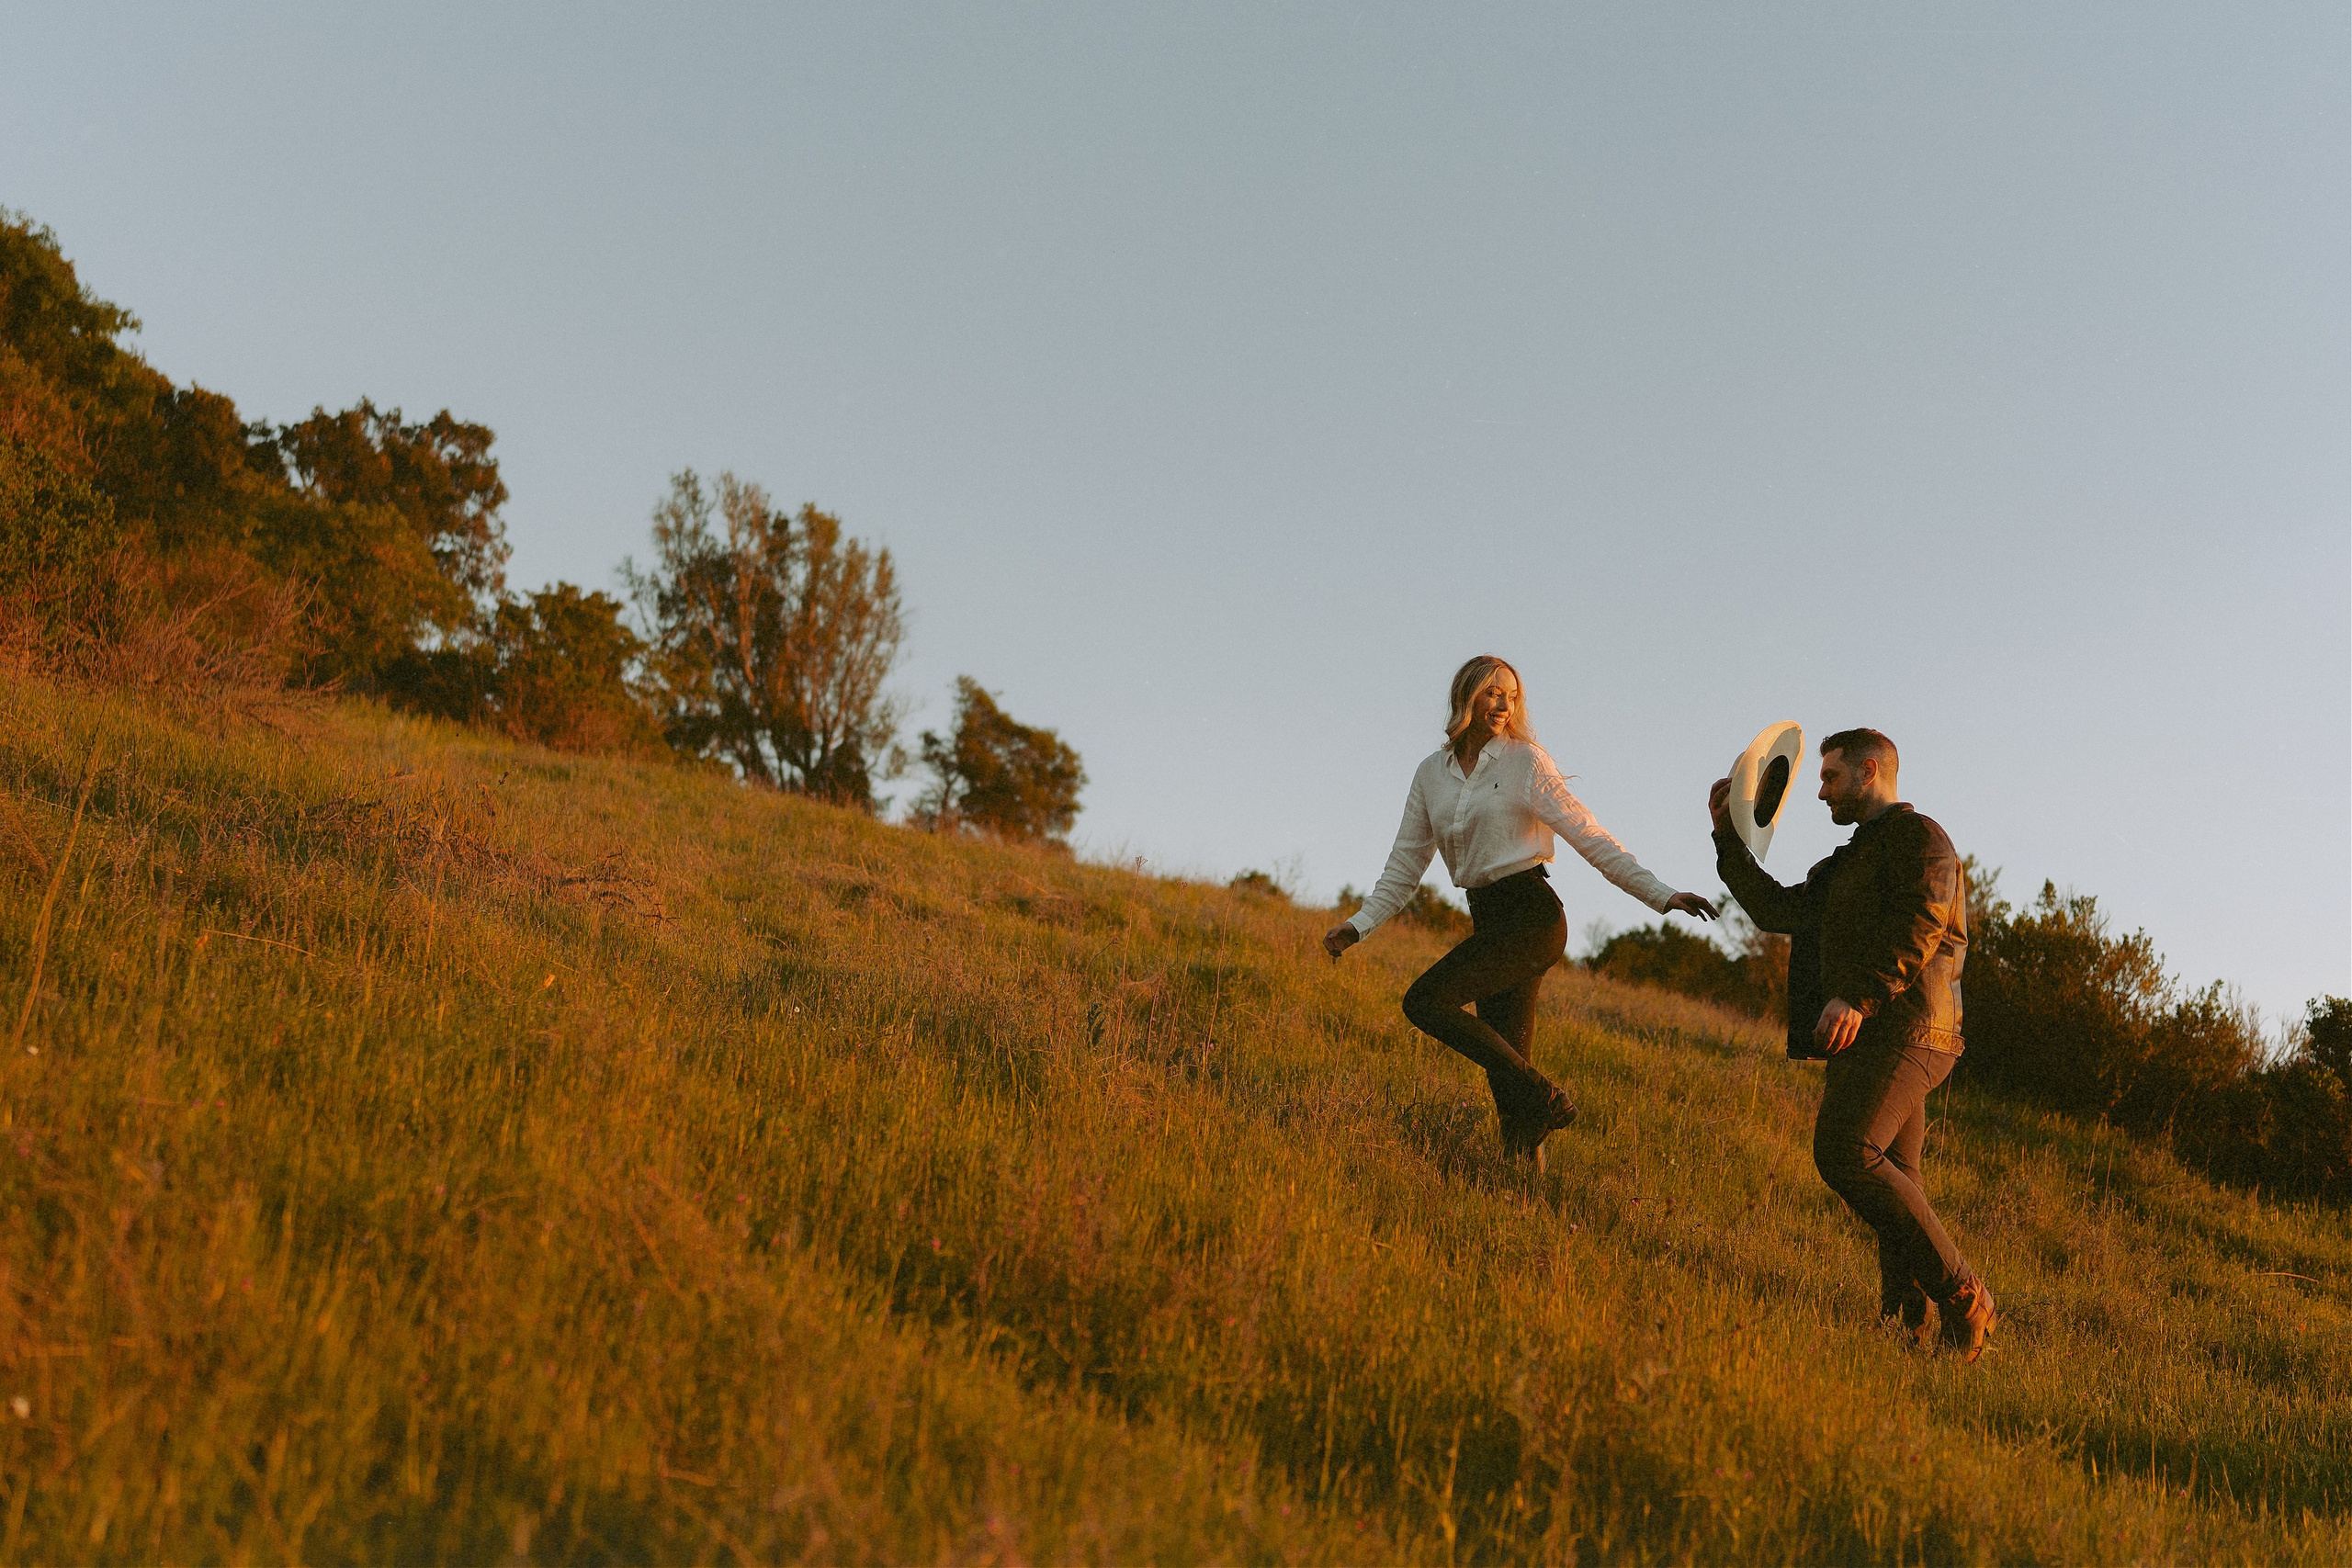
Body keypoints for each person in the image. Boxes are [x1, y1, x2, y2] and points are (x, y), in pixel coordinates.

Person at [1324, 655, 1717, 1168]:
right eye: (1492, 692)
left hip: (1531, 917)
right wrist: (1358, 926)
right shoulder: (1430, 775)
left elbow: (1589, 835)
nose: (1504, 704)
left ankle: (1549, 1098)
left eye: (1512, 695)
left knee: (1425, 1002)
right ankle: (1526, 1188)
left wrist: (1661, 894)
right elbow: (1405, 863)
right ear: (1466, 696)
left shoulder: (1527, 762)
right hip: (1488, 917)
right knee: (1507, 1082)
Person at [1706, 728, 1996, 1360]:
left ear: (1870, 771)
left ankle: (1965, 1295)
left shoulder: (1923, 842)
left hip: (1913, 1028)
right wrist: (1728, 840)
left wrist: (1858, 997)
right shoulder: (1847, 861)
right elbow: (1777, 909)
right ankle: (1905, 1321)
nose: (1819, 791)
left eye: (1830, 777)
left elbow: (1924, 921)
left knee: (1844, 1150)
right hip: (1873, 1033)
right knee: (1900, 1178)